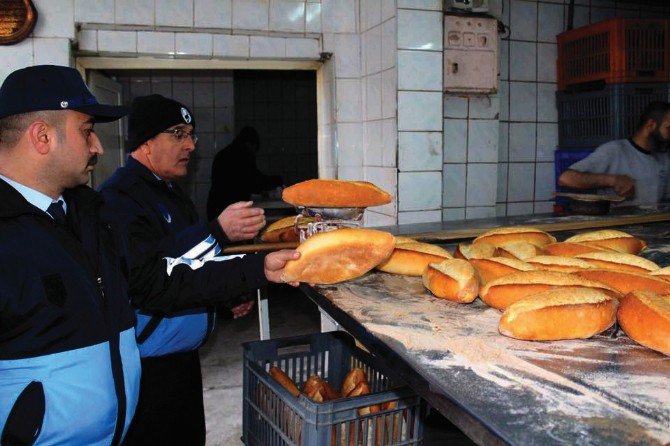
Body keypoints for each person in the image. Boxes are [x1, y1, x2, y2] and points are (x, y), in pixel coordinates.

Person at [0, 65, 299, 445]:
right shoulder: (105, 204)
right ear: (42, 136)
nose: (98, 147)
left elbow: (155, 280)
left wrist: (258, 269)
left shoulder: (86, 214)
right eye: (87, 131)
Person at [98, 95, 269, 444]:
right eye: (178, 134)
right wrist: (218, 231)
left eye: (191, 134)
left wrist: (224, 298)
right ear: (146, 142)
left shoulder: (172, 193)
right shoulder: (119, 199)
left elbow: (192, 266)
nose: (190, 145)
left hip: (184, 359)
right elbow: (151, 277)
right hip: (147, 369)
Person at [558, 101, 670, 205]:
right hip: (615, 224)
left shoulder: (663, 158)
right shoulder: (614, 150)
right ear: (651, 125)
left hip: (649, 222)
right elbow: (566, 178)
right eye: (668, 128)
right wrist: (613, 180)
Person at [206, 126, 283, 220]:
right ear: (250, 144)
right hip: (230, 209)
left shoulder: (223, 154)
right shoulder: (244, 155)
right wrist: (277, 180)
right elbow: (255, 182)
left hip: (216, 207)